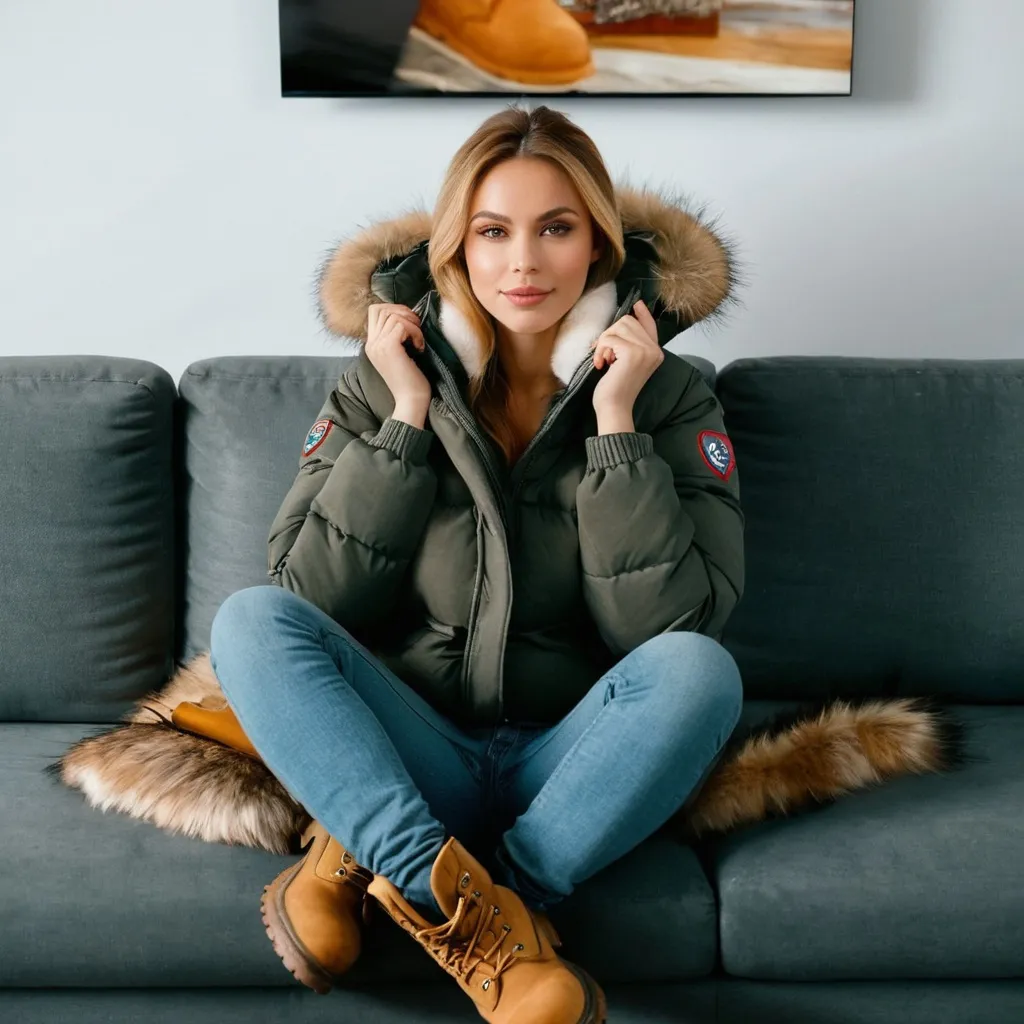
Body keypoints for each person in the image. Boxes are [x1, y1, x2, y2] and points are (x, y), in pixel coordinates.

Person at [209, 103, 744, 1023]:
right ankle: (465, 910)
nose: (524, 263)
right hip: (420, 749)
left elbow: (669, 633)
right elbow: (312, 595)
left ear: (598, 250)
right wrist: (408, 417)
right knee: (249, 623)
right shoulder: (383, 378)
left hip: (571, 760)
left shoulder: (670, 396)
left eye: (557, 228)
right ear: (457, 249)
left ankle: (433, 879)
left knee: (703, 672)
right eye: (493, 232)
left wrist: (617, 428)